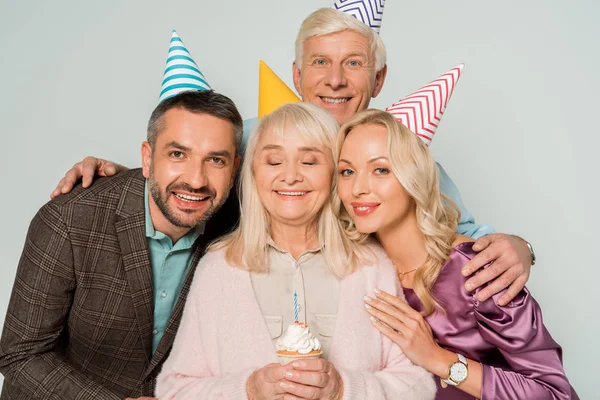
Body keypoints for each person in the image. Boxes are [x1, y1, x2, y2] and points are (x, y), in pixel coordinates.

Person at [49, 6, 535, 307]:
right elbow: (191, 175)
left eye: (354, 64)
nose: (336, 80)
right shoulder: (252, 138)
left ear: (379, 81)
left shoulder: (403, 156)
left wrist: (520, 246)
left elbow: (466, 236)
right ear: (297, 77)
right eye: (320, 63)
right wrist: (116, 174)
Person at [155, 102, 436, 399]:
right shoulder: (219, 269)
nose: (290, 176)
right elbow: (174, 390)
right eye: (274, 161)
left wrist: (343, 390)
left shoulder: (371, 265)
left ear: (335, 173)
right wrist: (247, 391)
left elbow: (418, 386)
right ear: (252, 172)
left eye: (310, 162)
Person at [0, 90, 243, 399]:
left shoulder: (239, 225)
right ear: (147, 156)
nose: (196, 179)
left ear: (234, 170)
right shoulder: (70, 219)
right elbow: (20, 353)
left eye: (215, 160)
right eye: (177, 154)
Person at [335, 109, 578, 399]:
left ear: (414, 175)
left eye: (381, 169)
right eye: (347, 171)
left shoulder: (475, 270)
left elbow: (554, 393)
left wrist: (436, 358)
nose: (358, 188)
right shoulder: (356, 271)